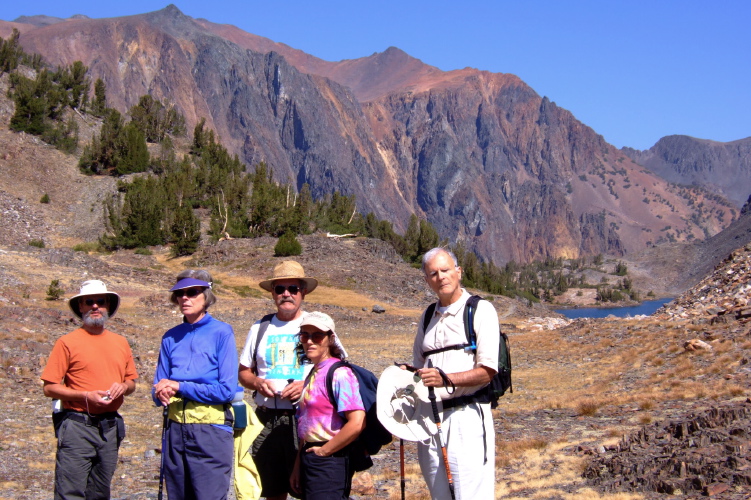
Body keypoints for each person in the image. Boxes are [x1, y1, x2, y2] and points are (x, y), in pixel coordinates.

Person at [412, 247, 500, 499]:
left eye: (446, 270)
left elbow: (487, 371)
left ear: (458, 272)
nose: (441, 277)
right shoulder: (427, 315)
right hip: (429, 420)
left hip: (467, 418)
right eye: (433, 273)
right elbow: (418, 366)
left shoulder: (480, 310)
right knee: (439, 494)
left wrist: (446, 379)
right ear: (427, 280)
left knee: (470, 494)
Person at [41, 279, 138, 500]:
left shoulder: (121, 342)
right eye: (89, 302)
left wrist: (122, 387)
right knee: (70, 492)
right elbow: (50, 388)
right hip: (77, 426)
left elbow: (132, 383)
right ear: (81, 307)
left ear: (108, 306)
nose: (95, 306)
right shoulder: (66, 342)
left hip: (110, 427)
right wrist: (85, 395)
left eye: (100, 302)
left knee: (100, 492)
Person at [153, 270, 239, 500]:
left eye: (192, 292)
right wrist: (161, 392)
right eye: (180, 293)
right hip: (174, 432)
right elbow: (158, 385)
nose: (184, 298)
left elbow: (226, 390)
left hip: (210, 431)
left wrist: (180, 387)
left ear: (206, 295)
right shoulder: (170, 337)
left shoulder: (222, 332)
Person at [238, 260, 317, 500]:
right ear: (272, 293)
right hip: (266, 418)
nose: (286, 294)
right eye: (280, 289)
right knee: (272, 490)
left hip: (307, 417)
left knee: (308, 486)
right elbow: (243, 372)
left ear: (302, 292)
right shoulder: (260, 328)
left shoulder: (316, 325)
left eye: (293, 289)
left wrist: (306, 386)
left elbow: (337, 369)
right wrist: (257, 383)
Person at [289, 311, 365, 499]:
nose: (309, 341)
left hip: (331, 459)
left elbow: (357, 422)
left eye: (317, 336)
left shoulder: (340, 374)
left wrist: (324, 451)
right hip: (311, 455)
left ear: (330, 339)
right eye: (305, 335)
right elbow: (306, 424)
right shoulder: (313, 373)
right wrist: (298, 465)